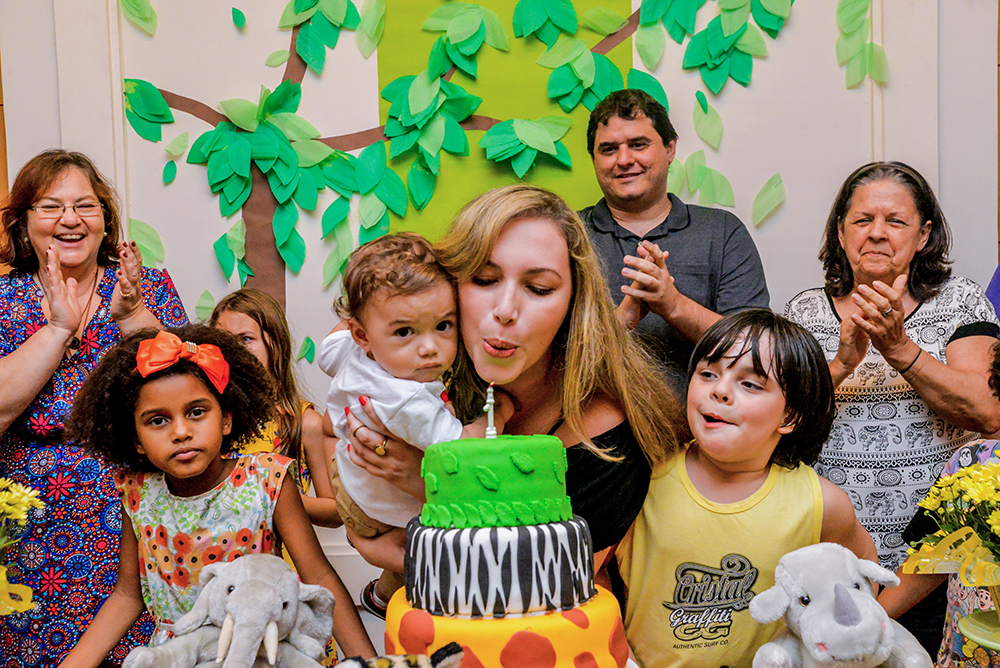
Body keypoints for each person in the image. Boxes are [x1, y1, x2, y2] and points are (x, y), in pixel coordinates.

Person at [338, 184, 685, 597]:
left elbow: (537, 584)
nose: (505, 309)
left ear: (574, 304)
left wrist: (419, 501)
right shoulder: (437, 371)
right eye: (484, 279)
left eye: (538, 289)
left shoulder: (605, 440)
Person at [57, 325, 376, 666]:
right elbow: (126, 596)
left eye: (196, 412)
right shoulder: (137, 494)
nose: (181, 432)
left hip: (258, 652)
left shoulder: (267, 480)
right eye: (157, 421)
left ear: (225, 419)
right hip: (177, 657)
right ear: (135, 438)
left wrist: (370, 662)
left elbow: (319, 574)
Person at [785, 161, 1000, 655]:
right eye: (862, 220)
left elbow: (989, 413)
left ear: (923, 235)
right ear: (841, 233)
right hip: (828, 566)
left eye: (895, 221)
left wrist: (902, 350)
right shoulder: (803, 311)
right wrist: (840, 363)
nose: (877, 233)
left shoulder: (960, 302)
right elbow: (778, 422)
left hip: (936, 565)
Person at [0, 149, 188, 665]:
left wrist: (133, 318)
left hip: (136, 513)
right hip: (31, 526)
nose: (69, 219)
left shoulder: (146, 287)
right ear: (23, 223)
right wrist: (57, 330)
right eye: (49, 206)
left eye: (85, 205)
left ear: (106, 220)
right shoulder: (3, 299)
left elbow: (189, 394)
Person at [618, 309, 877, 668]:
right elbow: (595, 574)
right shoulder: (643, 476)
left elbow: (861, 577)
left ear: (790, 416)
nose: (720, 390)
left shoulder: (822, 504)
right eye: (707, 374)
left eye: (750, 384)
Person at [319, 232, 508, 618]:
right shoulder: (408, 400)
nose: (429, 347)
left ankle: (382, 594)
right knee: (438, 540)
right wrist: (499, 413)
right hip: (372, 505)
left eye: (443, 325)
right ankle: (394, 597)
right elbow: (462, 451)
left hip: (349, 473)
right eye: (405, 331)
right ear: (363, 335)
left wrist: (371, 315)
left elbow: (329, 348)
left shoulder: (353, 350)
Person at [580, 89, 769, 395]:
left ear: (670, 149)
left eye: (638, 145)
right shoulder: (567, 236)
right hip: (592, 437)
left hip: (701, 435)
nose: (624, 159)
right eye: (608, 149)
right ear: (594, 159)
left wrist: (674, 305)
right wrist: (624, 319)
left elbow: (756, 349)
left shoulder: (722, 232)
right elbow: (548, 356)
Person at [209, 289, 340, 527]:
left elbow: (335, 512)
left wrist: (272, 493)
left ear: (275, 346)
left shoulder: (304, 422)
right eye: (224, 342)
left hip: (277, 560)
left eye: (246, 339)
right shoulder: (208, 419)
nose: (233, 351)